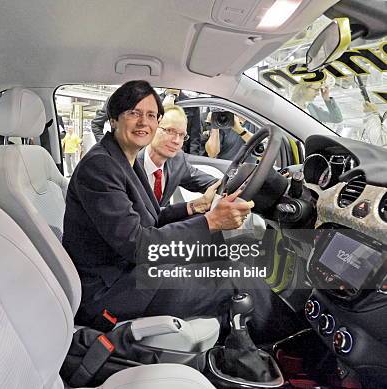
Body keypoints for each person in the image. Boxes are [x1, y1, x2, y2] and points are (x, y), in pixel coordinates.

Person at [63, 80, 300, 343]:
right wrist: (210, 221)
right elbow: (139, 244)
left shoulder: (124, 160)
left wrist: (195, 207)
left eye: (151, 115)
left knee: (221, 248)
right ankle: (288, 342)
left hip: (130, 273)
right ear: (114, 118)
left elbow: (151, 220)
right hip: (112, 292)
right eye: (134, 113)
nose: (144, 122)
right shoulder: (100, 167)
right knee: (236, 275)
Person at [138, 104, 220, 208]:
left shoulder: (177, 160)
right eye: (170, 131)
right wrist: (193, 207)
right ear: (152, 128)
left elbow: (210, 183)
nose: (177, 141)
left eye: (182, 135)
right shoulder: (130, 164)